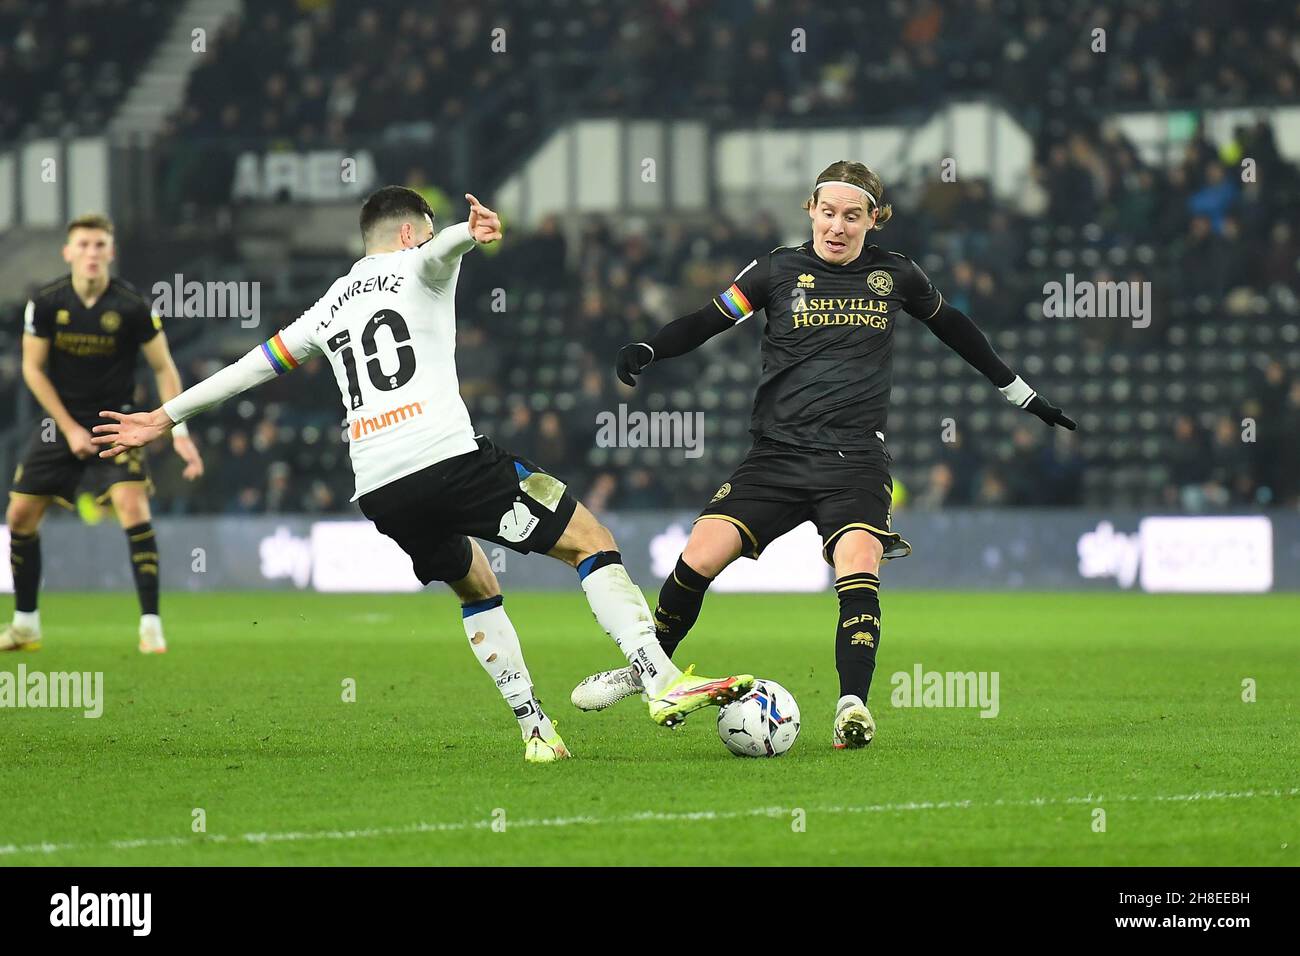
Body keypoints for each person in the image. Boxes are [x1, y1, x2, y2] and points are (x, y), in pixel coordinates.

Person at [91, 186, 754, 763]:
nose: (433, 244)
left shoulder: (329, 304)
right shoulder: (420, 263)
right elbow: (441, 256)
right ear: (409, 233)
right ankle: (660, 678)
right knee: (592, 539)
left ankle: (536, 729)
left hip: (380, 490)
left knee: (476, 586)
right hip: (449, 460)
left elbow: (253, 367)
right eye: (428, 232)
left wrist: (165, 416)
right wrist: (472, 233)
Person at [571, 160, 1076, 750]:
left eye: (852, 216)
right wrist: (651, 347)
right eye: (828, 213)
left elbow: (958, 329)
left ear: (873, 221)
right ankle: (649, 673)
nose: (837, 226)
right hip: (776, 456)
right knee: (699, 556)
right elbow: (707, 321)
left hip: (855, 459)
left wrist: (1021, 393)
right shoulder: (776, 271)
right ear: (811, 210)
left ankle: (852, 706)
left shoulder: (897, 276)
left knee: (859, 563)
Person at [2, 214, 204, 655]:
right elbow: (33, 370)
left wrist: (179, 430)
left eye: (100, 245)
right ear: (68, 252)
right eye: (84, 245)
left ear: (111, 253)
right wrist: (70, 428)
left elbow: (163, 368)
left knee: (132, 505)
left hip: (119, 420)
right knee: (19, 517)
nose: (92, 253)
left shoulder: (133, 306)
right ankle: (25, 625)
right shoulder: (47, 301)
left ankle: (151, 626)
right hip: (61, 422)